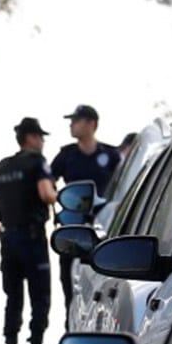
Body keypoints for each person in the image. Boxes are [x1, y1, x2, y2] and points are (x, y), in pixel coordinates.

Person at [0, 117, 59, 344]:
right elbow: (46, 194)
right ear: (30, 138)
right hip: (32, 239)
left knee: (13, 298)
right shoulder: (37, 164)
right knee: (40, 297)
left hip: (9, 240)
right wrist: (61, 198)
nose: (43, 141)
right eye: (40, 136)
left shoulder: (3, 167)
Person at [49, 105, 119, 315]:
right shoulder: (66, 155)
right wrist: (63, 203)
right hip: (72, 231)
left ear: (92, 124)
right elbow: (47, 183)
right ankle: (72, 327)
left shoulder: (111, 155)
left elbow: (121, 191)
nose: (71, 125)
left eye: (76, 120)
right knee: (70, 289)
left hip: (103, 231)